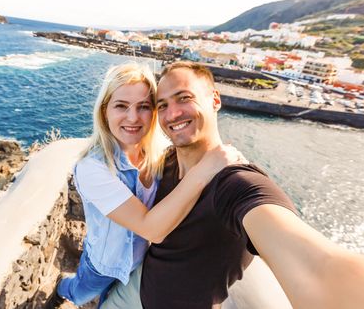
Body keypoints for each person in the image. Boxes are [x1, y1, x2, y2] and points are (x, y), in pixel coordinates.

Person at [101, 61, 364, 309]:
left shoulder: (235, 183)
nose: (171, 114)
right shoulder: (166, 161)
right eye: (162, 105)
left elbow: (319, 268)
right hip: (138, 287)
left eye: (184, 98)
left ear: (215, 100)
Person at [44, 62, 244, 308]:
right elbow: (151, 229)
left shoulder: (162, 156)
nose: (133, 118)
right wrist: (207, 167)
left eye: (144, 107)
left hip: (140, 264)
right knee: (81, 294)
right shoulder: (92, 168)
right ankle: (63, 287)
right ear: (105, 110)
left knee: (107, 302)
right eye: (121, 106)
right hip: (103, 264)